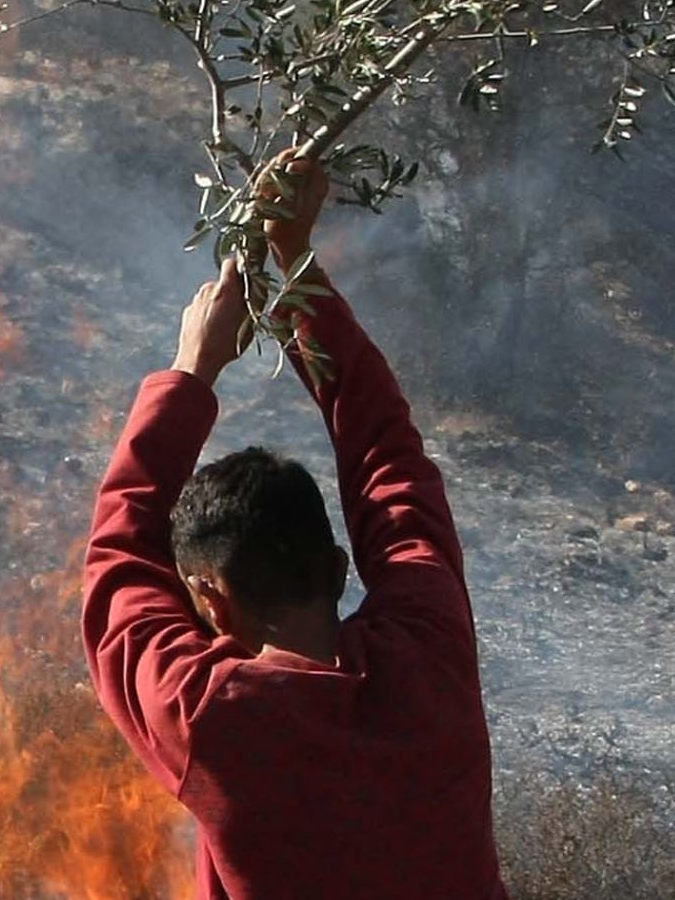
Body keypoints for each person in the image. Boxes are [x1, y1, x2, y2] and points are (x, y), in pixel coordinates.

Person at [83, 149, 509, 899]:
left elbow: (118, 560)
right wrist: (294, 269)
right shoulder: (431, 655)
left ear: (210, 601)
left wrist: (194, 367)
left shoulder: (213, 719)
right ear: (340, 567)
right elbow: (389, 457)